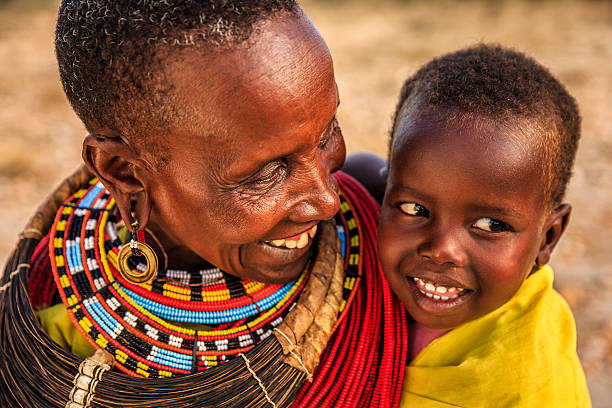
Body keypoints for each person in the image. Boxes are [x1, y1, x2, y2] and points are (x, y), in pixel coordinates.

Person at [0, 2, 407, 407]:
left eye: (326, 133)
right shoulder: (45, 315)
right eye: (266, 172)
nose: (327, 200)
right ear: (125, 172)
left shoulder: (391, 216)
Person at [376, 44, 591, 407]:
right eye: (415, 208)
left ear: (548, 238)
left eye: (491, 224)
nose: (441, 248)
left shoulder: (532, 388)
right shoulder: (359, 238)